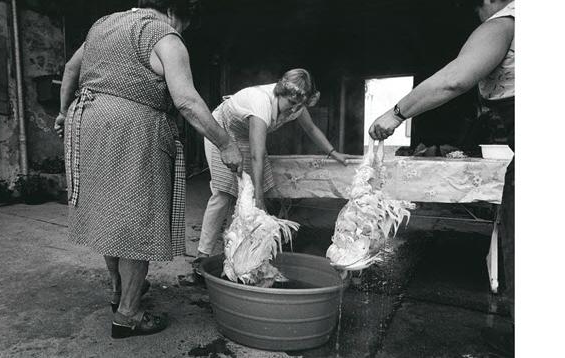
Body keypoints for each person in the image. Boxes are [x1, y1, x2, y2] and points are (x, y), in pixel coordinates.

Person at [53, 0, 243, 338]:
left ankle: (119, 293)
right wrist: (225, 142)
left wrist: (65, 113)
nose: (182, 30)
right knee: (137, 222)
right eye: (184, 22)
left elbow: (70, 69)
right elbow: (186, 101)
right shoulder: (164, 35)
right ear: (173, 11)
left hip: (89, 123)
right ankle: (128, 315)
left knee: (110, 215)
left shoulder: (103, 25)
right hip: (132, 129)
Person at [368, 0, 514, 355]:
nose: (478, 17)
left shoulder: (505, 21)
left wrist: (395, 113)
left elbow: (454, 80)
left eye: (477, 10)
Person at [195, 69, 348, 263]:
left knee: (249, 195)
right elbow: (256, 155)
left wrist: (333, 152)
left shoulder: (296, 103)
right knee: (224, 193)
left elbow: (310, 128)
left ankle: (235, 254)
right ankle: (202, 256)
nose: (294, 110)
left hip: (244, 134)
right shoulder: (261, 103)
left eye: (300, 105)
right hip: (221, 130)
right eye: (291, 103)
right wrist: (259, 199)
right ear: (279, 92)